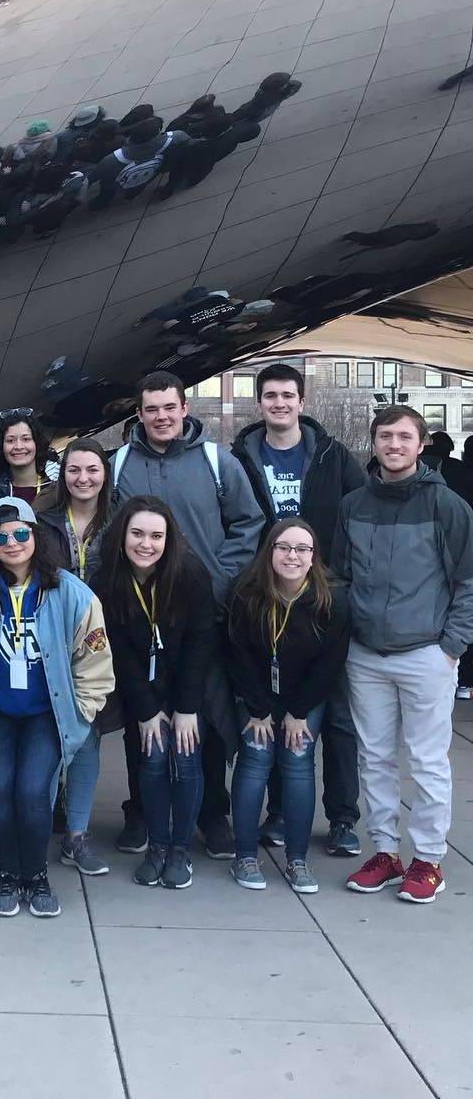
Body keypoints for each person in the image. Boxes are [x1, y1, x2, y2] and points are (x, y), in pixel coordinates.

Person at [0, 498, 114, 917]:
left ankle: (36, 875)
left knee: (32, 793)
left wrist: (84, 709)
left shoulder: (70, 592)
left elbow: (95, 657)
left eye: (21, 534)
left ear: (36, 536)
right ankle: (8, 874)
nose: (12, 543)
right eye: (1, 537)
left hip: (45, 714)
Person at [110, 371, 264, 859]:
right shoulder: (119, 465)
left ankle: (210, 813)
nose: (161, 417)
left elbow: (249, 522)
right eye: (151, 409)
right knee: (145, 714)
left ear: (184, 409)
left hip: (203, 614)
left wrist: (219, 578)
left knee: (207, 716)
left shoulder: (218, 462)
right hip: (140, 615)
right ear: (139, 414)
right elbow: (111, 534)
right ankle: (141, 810)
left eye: (169, 407)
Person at [335, 406, 473, 903]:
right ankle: (386, 852)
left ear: (421, 445)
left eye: (404, 437)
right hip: (366, 654)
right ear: (373, 443)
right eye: (385, 436)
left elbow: (469, 581)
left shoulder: (447, 506)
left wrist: (451, 647)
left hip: (426, 655)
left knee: (427, 760)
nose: (394, 444)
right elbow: (340, 577)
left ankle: (429, 860)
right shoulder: (353, 505)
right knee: (373, 758)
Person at [232, 363, 366, 857]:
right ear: (260, 403)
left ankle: (342, 817)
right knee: (275, 708)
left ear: (302, 401)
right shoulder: (241, 457)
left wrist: (345, 579)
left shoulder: (332, 456)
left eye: (288, 395)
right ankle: (281, 813)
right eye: (271, 395)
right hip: (267, 597)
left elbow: (360, 515)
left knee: (334, 718)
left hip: (323, 598)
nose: (280, 403)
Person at [92, 496, 222, 888]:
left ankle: (180, 850)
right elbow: (117, 651)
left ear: (169, 539)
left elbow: (202, 643)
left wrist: (186, 708)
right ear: (121, 536)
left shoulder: (191, 575)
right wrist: (147, 709)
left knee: (185, 759)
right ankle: (157, 846)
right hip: (140, 687)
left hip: (187, 683)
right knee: (150, 758)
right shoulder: (107, 581)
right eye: (137, 534)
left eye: (156, 535)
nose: (146, 544)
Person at [227, 519, 351, 895]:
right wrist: (258, 708)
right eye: (283, 547)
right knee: (255, 758)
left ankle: (297, 860)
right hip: (257, 695)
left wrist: (299, 712)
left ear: (314, 557)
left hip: (304, 696)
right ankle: (245, 856)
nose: (292, 556)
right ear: (270, 551)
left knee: (298, 762)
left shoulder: (332, 598)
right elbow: (237, 653)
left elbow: (330, 662)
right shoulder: (246, 593)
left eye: (301, 549)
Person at [36, 438, 116, 876]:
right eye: (74, 470)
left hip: (100, 647)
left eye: (91, 470)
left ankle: (77, 835)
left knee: (88, 738)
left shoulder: (121, 522)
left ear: (104, 474)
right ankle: (38, 827)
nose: (83, 478)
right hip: (50, 644)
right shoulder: (44, 523)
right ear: (62, 476)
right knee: (49, 739)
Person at [0, 408, 60, 504]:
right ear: (1, 446)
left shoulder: (57, 486)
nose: (18, 447)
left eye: (26, 439)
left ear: (37, 443)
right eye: (10, 440)